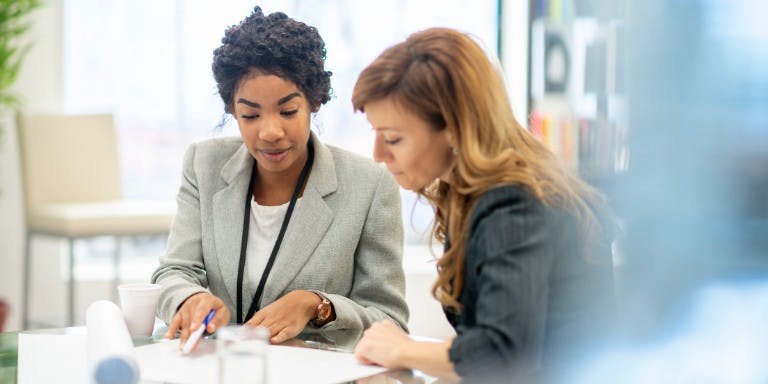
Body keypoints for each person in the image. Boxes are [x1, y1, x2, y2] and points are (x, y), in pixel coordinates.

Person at [351, 28, 616, 383]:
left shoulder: (513, 204)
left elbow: (503, 352)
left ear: (454, 128)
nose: (379, 156)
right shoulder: (469, 194)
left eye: (393, 139)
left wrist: (402, 349)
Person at [151, 7, 408, 351]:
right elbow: (174, 272)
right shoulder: (204, 164)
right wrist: (190, 299)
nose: (270, 131)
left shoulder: (370, 186)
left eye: (288, 112)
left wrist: (317, 305)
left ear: (315, 101)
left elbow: (391, 320)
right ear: (232, 110)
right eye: (250, 115)